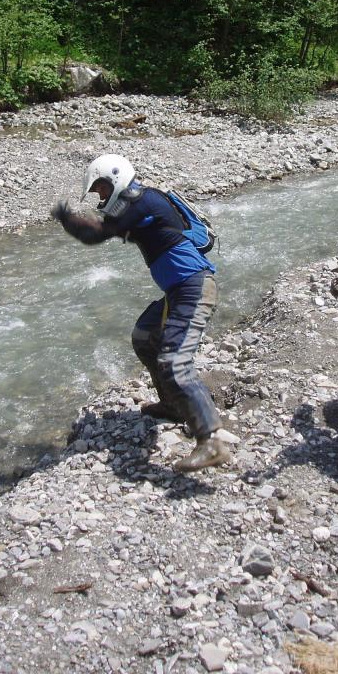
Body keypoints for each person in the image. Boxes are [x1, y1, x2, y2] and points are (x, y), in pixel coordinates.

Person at [51, 153, 230, 472]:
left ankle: (212, 440)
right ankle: (175, 406)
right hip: (178, 291)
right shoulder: (137, 205)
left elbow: (94, 234)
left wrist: (65, 216)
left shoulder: (140, 201)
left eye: (102, 190)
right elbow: (102, 228)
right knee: (145, 337)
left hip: (195, 288)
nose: (101, 198)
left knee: (175, 361)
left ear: (116, 178)